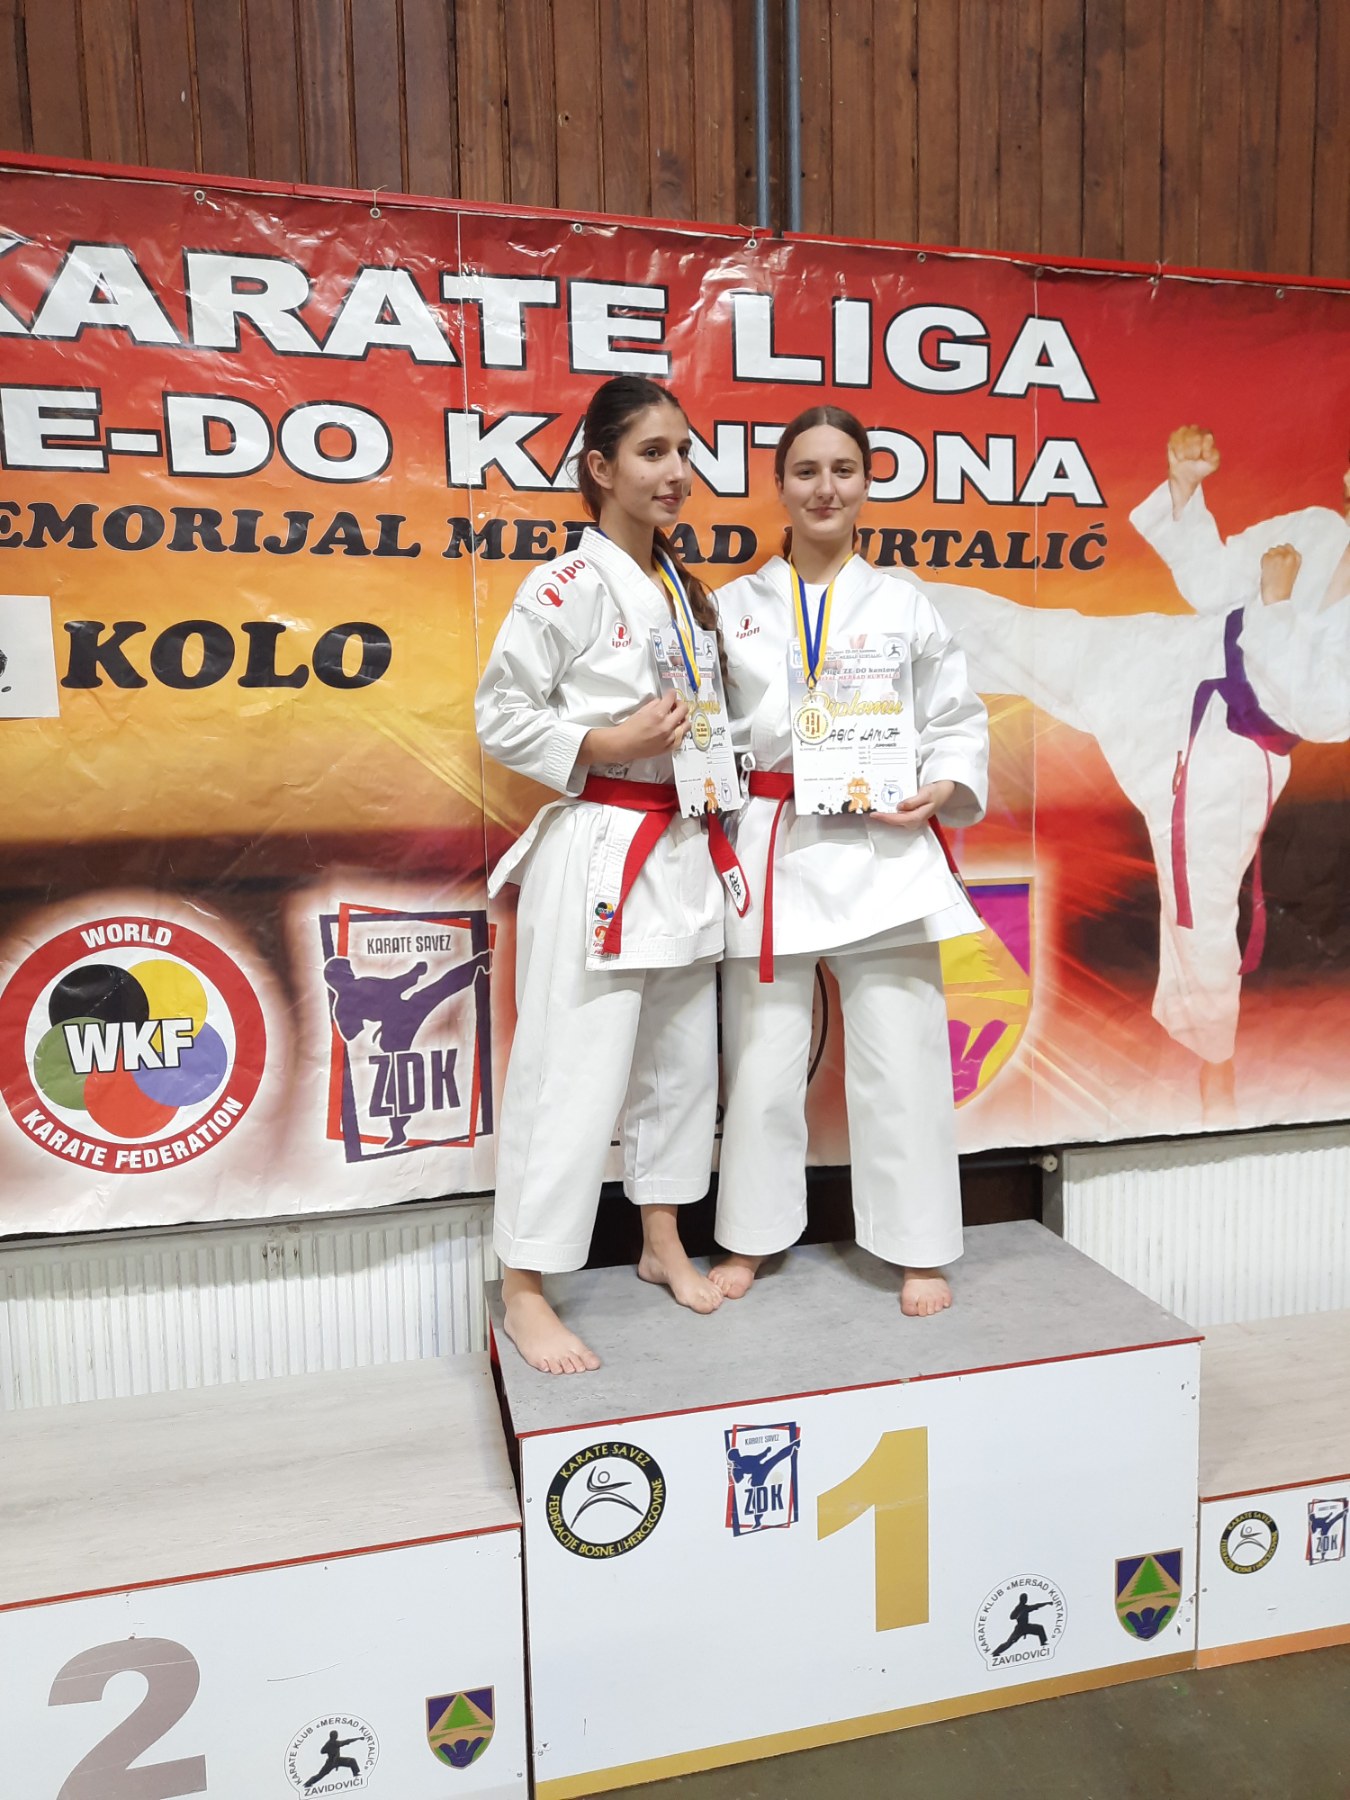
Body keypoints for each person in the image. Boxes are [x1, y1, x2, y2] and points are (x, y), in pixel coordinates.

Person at [929, 429, 1349, 1122]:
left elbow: (1326, 711)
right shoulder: (1316, 530)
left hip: (1233, 755)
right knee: (1035, 638)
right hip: (1173, 660)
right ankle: (877, 611)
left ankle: (1212, 1062)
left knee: (1198, 913)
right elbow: (1212, 584)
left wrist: (1275, 608)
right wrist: (1186, 490)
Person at [475, 375, 737, 1373]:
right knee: (571, 1071)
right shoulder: (566, 585)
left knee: (682, 1062)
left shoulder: (682, 590)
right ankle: (526, 1285)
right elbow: (500, 715)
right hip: (601, 846)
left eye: (684, 452)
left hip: (683, 843)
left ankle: (660, 1236)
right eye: (652, 452)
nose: (677, 472)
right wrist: (605, 741)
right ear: (601, 467)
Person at [710, 405, 989, 1317]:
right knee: (761, 1062)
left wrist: (944, 782)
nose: (825, 488)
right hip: (774, 840)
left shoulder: (904, 603)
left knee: (901, 1056)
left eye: (843, 470)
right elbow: (711, 730)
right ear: (779, 486)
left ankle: (917, 1246)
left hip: (882, 843)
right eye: (806, 471)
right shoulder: (734, 607)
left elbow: (954, 717)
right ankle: (750, 1235)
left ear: (867, 483)